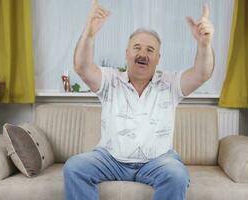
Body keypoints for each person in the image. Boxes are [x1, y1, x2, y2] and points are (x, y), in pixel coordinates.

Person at [63, 0, 214, 199]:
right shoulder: (110, 79)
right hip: (111, 159)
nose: (143, 54)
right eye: (137, 48)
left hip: (157, 161)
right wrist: (88, 34)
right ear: (127, 53)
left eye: (150, 50)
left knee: (176, 176)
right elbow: (82, 67)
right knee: (74, 167)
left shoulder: (170, 83)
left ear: (158, 58)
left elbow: (201, 73)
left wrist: (204, 45)